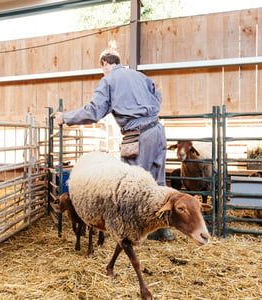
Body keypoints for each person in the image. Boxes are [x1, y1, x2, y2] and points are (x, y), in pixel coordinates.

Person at [53, 43, 173, 241]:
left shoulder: (108, 80)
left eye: (102, 69)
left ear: (104, 64)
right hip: (157, 130)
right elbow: (157, 97)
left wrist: (64, 117)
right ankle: (163, 230)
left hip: (137, 135)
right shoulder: (140, 76)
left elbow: (94, 111)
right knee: (158, 180)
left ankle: (132, 232)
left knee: (131, 187)